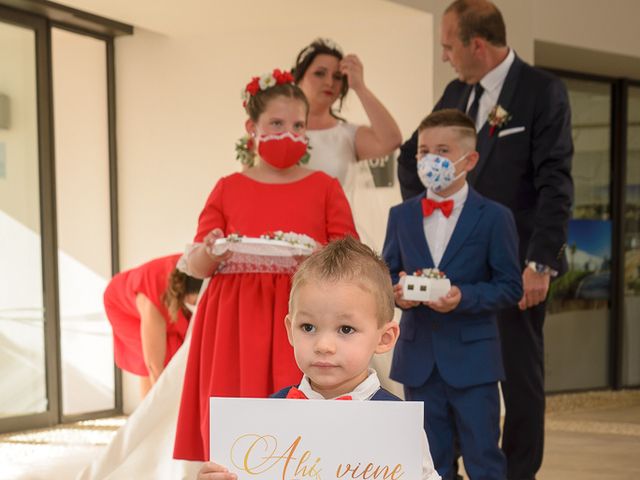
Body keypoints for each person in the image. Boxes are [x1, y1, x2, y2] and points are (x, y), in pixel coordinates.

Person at [396, 1, 573, 478]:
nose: (445, 57)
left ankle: (515, 473)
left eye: (449, 45)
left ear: (477, 44)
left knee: (519, 379)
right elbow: (411, 157)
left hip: (514, 266)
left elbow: (555, 180)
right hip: (450, 266)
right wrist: (425, 228)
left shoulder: (542, 91)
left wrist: (540, 261)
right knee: (448, 374)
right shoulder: (456, 90)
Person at [173, 68, 358, 462]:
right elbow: (199, 263)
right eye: (276, 123)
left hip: (304, 315)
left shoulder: (325, 187)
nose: (288, 134)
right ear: (251, 127)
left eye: (297, 125)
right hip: (233, 319)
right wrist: (214, 251)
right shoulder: (228, 187)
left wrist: (315, 256)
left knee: (299, 412)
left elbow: (349, 257)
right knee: (236, 415)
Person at [196, 236, 441, 480]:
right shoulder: (267, 416)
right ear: (290, 330)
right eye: (308, 327)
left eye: (346, 329)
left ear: (384, 338)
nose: (323, 346)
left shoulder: (397, 424)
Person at [384, 109, 523, 479]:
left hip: (473, 359)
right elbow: (386, 275)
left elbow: (511, 287)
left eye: (442, 150)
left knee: (484, 460)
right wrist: (398, 294)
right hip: (418, 359)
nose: (429, 160)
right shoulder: (401, 215)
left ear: (469, 158)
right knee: (429, 462)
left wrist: (464, 297)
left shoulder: (494, 217)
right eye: (423, 151)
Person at [292, 37, 402, 252]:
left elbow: (391, 139)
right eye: (319, 73)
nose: (329, 83)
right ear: (299, 77)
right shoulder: (276, 131)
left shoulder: (347, 135)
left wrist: (360, 86)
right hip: (284, 229)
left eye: (337, 77)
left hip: (330, 235)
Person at [103, 254, 203, 398]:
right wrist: (161, 403)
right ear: (185, 296)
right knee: (159, 358)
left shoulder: (196, 269)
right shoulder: (152, 303)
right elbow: (154, 365)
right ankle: (147, 412)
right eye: (195, 302)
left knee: (184, 351)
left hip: (167, 295)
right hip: (123, 307)